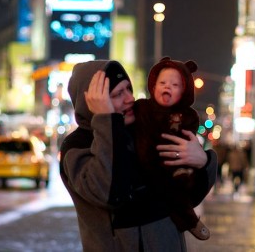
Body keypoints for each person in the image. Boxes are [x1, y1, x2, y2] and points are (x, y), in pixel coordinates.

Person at [59, 60, 217, 251]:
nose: (129, 99)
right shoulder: (77, 146)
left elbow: (188, 195)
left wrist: (203, 162)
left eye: (128, 89)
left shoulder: (143, 130)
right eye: (118, 94)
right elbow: (109, 193)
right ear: (93, 102)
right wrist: (106, 120)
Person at [133, 57, 209, 240]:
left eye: (176, 85)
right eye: (163, 82)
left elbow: (186, 139)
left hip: (175, 164)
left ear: (184, 92)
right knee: (163, 186)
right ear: (153, 85)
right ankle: (189, 220)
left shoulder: (187, 116)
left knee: (179, 185)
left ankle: (187, 218)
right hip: (147, 161)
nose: (168, 87)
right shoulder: (142, 108)